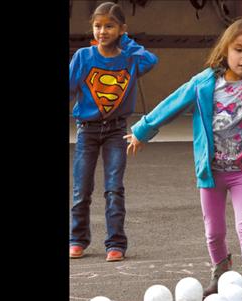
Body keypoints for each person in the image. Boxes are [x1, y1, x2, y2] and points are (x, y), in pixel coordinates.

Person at [125, 19, 242, 301]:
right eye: (239, 50)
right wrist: (142, 131)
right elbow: (172, 103)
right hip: (212, 171)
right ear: (225, 50)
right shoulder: (204, 83)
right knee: (214, 231)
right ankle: (220, 271)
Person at [69, 2, 158, 262]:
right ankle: (77, 239)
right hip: (87, 129)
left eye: (109, 26)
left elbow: (151, 61)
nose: (102, 31)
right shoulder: (84, 57)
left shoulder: (130, 59)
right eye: (98, 26)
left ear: (122, 29)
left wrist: (127, 42)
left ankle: (115, 243)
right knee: (81, 188)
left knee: (114, 188)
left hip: (116, 131)